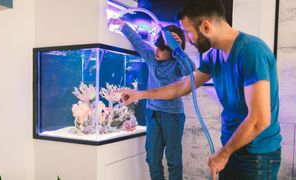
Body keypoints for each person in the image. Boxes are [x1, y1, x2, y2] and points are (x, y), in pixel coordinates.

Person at [118, 0, 282, 179]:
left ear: (205, 26)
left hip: (256, 155)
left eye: (188, 32)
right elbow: (183, 86)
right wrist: (140, 94)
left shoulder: (251, 51)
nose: (188, 39)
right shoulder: (213, 57)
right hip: (230, 146)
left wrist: (224, 153)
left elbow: (259, 119)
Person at [108, 18, 196, 180]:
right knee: (152, 159)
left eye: (163, 50)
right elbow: (137, 41)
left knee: (173, 159)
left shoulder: (177, 63)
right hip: (152, 113)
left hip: (173, 116)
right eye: (157, 46)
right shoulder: (151, 56)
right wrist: (122, 25)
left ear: (172, 52)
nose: (157, 51)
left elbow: (191, 69)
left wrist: (178, 50)